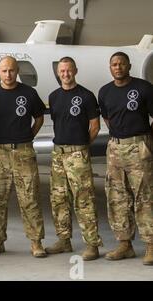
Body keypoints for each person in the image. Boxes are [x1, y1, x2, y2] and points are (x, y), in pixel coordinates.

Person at [0, 56, 47, 258]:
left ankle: (36, 242)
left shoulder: (29, 93)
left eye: (11, 70)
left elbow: (39, 117)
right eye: (4, 71)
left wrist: (28, 136)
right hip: (0, 152)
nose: (8, 74)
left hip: (24, 152)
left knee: (30, 198)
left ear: (17, 71)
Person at [45, 57, 103, 260]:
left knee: (84, 199)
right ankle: (64, 240)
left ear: (75, 71)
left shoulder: (86, 96)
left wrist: (81, 147)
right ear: (58, 73)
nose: (65, 74)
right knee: (58, 199)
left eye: (69, 70)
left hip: (77, 153)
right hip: (57, 153)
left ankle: (92, 245)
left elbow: (95, 126)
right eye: (62, 71)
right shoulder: (53, 96)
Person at [98, 51, 153, 265]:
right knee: (117, 197)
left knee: (145, 196)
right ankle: (125, 244)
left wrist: (145, 139)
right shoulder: (105, 92)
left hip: (139, 147)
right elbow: (107, 118)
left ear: (129, 66)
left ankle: (150, 245)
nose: (118, 67)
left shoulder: (144, 89)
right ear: (110, 67)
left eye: (121, 64)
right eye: (114, 64)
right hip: (115, 148)